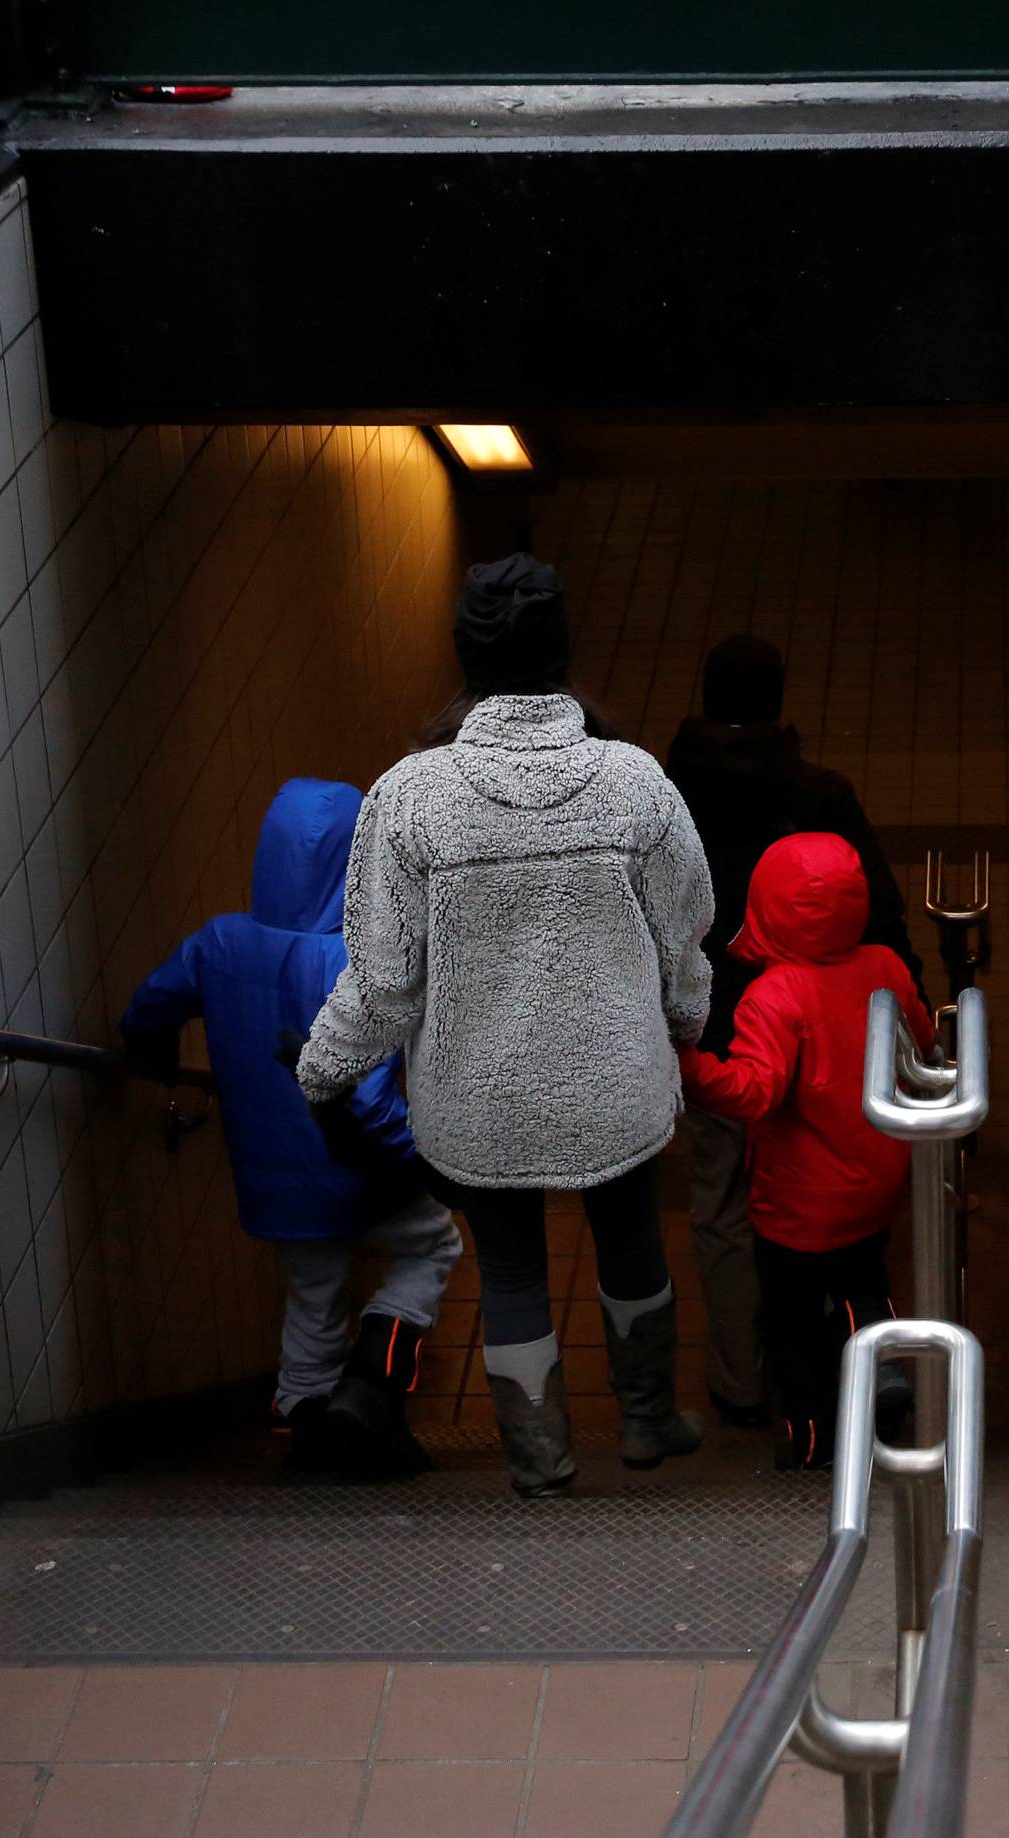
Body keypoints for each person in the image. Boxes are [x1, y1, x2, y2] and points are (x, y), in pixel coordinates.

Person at [296, 554, 716, 1499]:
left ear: (465, 660)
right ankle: (648, 1421)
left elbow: (384, 983)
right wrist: (686, 1019)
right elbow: (684, 935)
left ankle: (539, 1458)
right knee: (632, 1238)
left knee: (514, 1269)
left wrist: (323, 1070)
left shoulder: (409, 797)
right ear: (565, 652)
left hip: (476, 1099)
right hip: (618, 1086)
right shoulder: (635, 783)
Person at [122, 778, 461, 1480]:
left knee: (313, 1292)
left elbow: (149, 1008)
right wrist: (418, 1160)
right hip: (358, 1173)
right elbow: (365, 1102)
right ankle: (371, 1382)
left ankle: (309, 1425)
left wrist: (150, 1053)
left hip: (273, 1178)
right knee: (432, 1247)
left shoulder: (218, 943)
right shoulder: (356, 959)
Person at [667, 634, 924, 1428]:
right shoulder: (821, 794)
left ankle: (742, 1383)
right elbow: (881, 917)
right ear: (779, 705)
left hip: (711, 1031)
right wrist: (908, 1011)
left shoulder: (665, 796)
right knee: (834, 1203)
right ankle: (841, 1368)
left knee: (720, 1207)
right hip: (822, 1041)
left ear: (706, 701)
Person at [680, 831, 932, 1471]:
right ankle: (878, 1351)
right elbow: (924, 1046)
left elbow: (754, 1093)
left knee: (790, 1323)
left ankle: (812, 1441)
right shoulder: (886, 967)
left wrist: (686, 1065)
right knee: (861, 1276)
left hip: (795, 1205)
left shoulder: (776, 994)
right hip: (875, 1180)